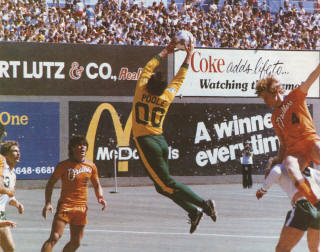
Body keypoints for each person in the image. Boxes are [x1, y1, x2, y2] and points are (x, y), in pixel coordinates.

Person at [131, 38, 217, 234]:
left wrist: (165, 51)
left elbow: (148, 67)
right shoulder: (166, 96)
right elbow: (180, 78)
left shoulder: (140, 89)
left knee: (167, 183)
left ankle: (204, 204)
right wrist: (189, 55)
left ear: (148, 83)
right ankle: (193, 212)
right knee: (161, 187)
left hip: (147, 143)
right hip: (160, 142)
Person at [255, 63, 320, 209]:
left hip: (310, 141)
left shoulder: (295, 96)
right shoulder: (274, 118)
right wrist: (276, 161)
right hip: (295, 152)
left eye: (266, 97)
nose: (265, 102)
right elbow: (283, 144)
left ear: (274, 91)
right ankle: (315, 201)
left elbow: (312, 76)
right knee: (290, 165)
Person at [41, 135, 107, 252]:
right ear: (72, 148)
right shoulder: (63, 165)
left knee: (76, 243)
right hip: (66, 206)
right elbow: (50, 184)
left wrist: (100, 197)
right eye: (79, 145)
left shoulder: (91, 166)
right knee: (54, 237)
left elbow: (97, 185)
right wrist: (48, 203)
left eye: (84, 145)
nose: (82, 147)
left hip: (81, 208)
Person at [256, 160, 320, 252]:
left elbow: (276, 172)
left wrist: (263, 190)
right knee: (313, 248)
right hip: (318, 208)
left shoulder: (280, 167)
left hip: (304, 206)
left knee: (282, 249)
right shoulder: (310, 170)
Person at [0, 141, 24, 252]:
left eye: (18, 151)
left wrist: (16, 203)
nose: (18, 154)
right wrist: (8, 191)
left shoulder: (13, 175)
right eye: (14, 151)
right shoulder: (1, 169)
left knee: (9, 248)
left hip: (1, 214)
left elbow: (8, 197)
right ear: (6, 155)